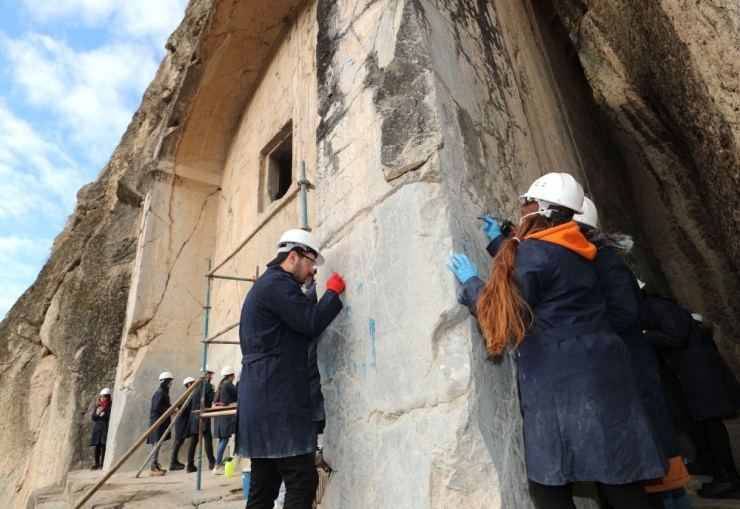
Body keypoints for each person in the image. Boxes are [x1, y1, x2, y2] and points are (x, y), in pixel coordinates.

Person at [447, 173, 665, 509]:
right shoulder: (583, 251)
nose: (521, 208)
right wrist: (502, 243)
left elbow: (506, 311)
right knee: (619, 478)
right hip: (602, 371)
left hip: (562, 379)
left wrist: (472, 285)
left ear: (540, 207)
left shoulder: (537, 252)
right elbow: (546, 280)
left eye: (526, 202)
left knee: (550, 486)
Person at [573, 199, 692, 509]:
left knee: (651, 453)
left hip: (628, 365)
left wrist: (579, 330)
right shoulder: (593, 260)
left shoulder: (604, 261)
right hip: (618, 363)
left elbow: (624, 312)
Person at [237, 229, 345, 509]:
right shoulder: (278, 285)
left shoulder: (267, 286)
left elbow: (294, 323)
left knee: (263, 489)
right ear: (293, 256)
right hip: (276, 400)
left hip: (259, 400)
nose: (311, 272)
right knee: (303, 482)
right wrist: (332, 292)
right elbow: (310, 323)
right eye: (310, 263)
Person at [642, 296, 740, 499]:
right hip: (685, 370)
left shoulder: (658, 307)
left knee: (709, 419)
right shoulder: (648, 309)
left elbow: (676, 335)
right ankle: (709, 462)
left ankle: (727, 477)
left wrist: (643, 335)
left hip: (697, 369)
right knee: (693, 418)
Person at [187, 365, 216, 473]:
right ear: (207, 374)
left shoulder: (196, 386)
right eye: (211, 374)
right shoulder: (206, 386)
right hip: (202, 416)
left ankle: (190, 464)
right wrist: (214, 391)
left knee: (193, 441)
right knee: (208, 439)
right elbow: (213, 398)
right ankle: (212, 462)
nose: (211, 377)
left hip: (194, 416)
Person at [147, 371, 174, 476]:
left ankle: (154, 465)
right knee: (156, 444)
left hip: (161, 422)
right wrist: (170, 410)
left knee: (157, 444)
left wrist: (172, 408)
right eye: (170, 381)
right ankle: (153, 466)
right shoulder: (159, 393)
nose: (171, 384)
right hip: (157, 422)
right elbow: (157, 407)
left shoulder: (163, 393)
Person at [213, 366, 238, 474]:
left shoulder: (222, 384)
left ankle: (217, 465)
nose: (234, 377)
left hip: (220, 418)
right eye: (233, 376)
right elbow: (238, 393)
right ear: (230, 376)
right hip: (225, 418)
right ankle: (217, 466)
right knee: (224, 440)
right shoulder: (228, 384)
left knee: (223, 440)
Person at [169, 376, 195, 471]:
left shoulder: (189, 394)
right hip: (182, 421)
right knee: (179, 440)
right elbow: (180, 405)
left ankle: (174, 461)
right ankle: (172, 462)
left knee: (180, 440)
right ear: (188, 385)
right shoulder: (186, 395)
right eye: (192, 383)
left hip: (184, 421)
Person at [89, 388, 112, 470]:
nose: (102, 398)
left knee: (103, 445)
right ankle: (96, 463)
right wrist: (97, 414)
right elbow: (93, 418)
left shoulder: (110, 405)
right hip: (97, 427)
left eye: (104, 397)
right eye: (101, 397)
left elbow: (111, 416)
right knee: (97, 446)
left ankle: (103, 462)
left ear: (108, 397)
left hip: (105, 427)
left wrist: (104, 415)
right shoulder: (98, 406)